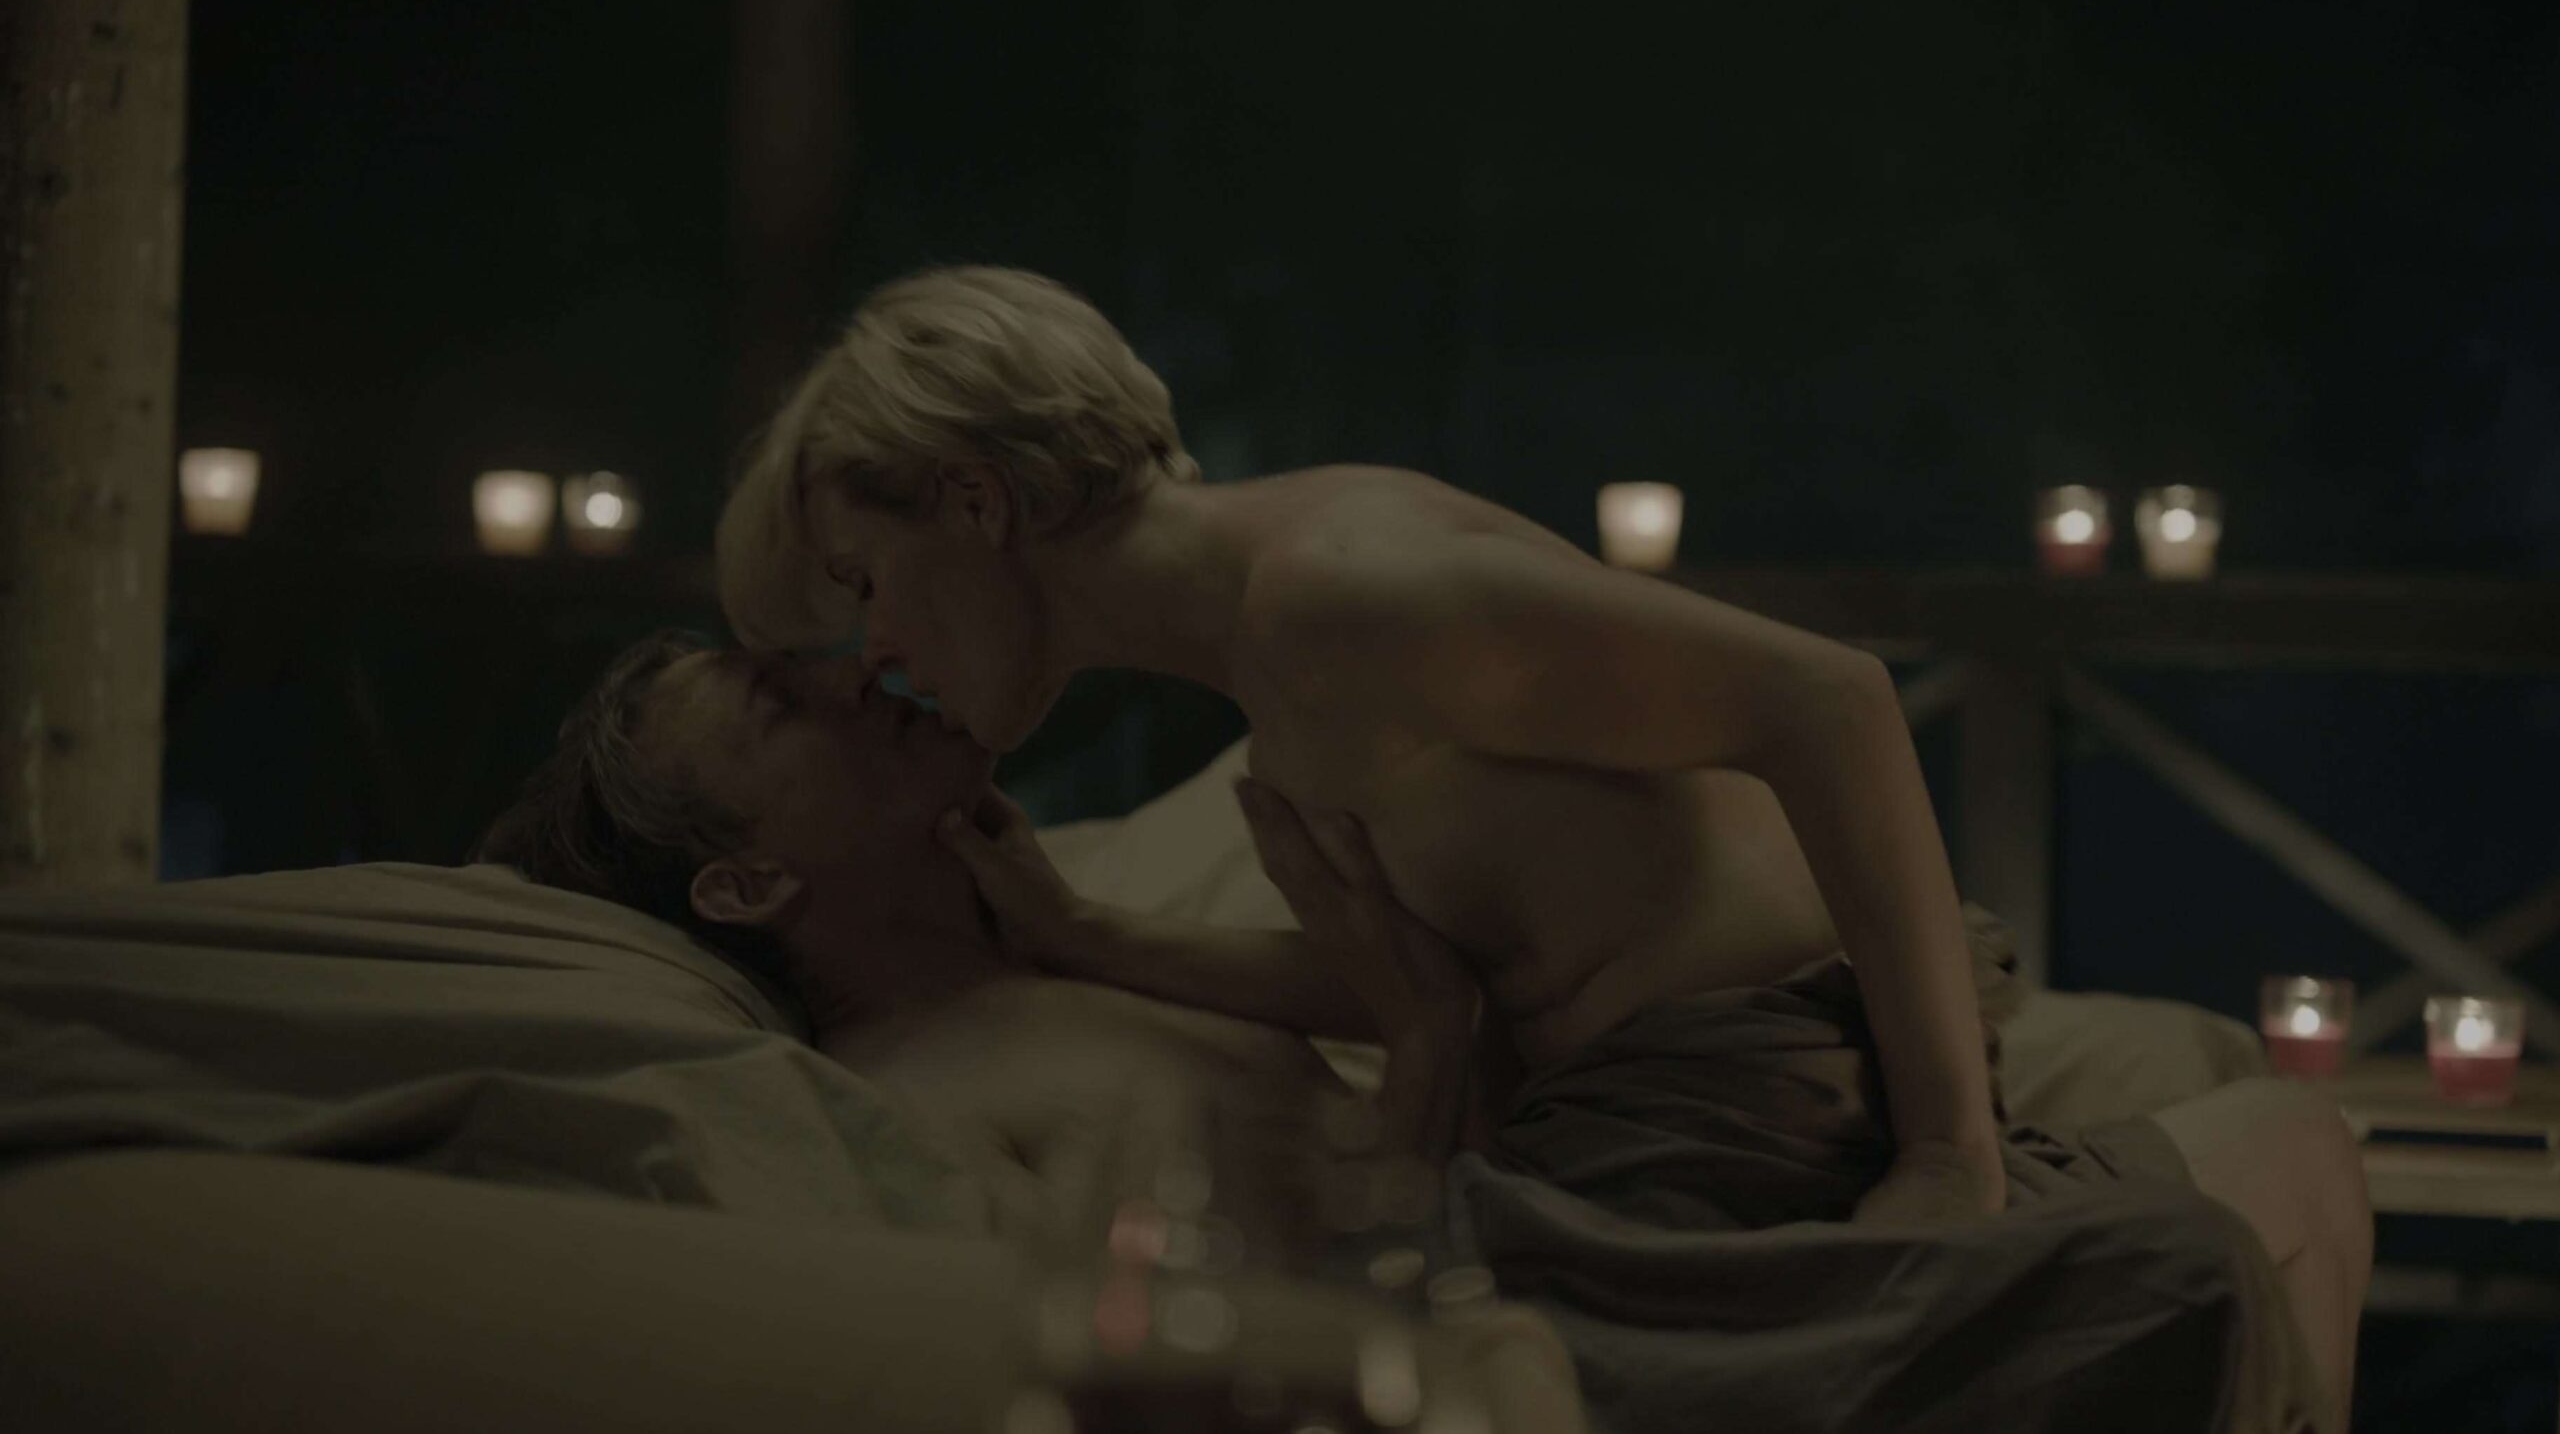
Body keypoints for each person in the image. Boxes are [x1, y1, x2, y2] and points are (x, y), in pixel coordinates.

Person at [711, 266, 2363, 1410]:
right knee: (2270, 1195)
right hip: (1662, 1154)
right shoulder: (1286, 639)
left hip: (1732, 1141)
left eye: (864, 583)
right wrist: (1092, 937)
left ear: (977, 502)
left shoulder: (1342, 593)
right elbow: (1468, 962)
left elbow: (1833, 701)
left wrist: (1947, 1147)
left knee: (2271, 1189)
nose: (876, 653)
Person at [485, 633, 2357, 1433]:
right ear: (743, 881)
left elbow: (1408, 1136)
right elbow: (1158, 1348)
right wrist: (1430, 1046)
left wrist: (1432, 1020)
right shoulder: (903, 1085)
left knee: (2290, 1142)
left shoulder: (1074, 946)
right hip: (1513, 1354)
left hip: (1571, 1231)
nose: (843, 676)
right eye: (773, 705)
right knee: (2191, 1261)